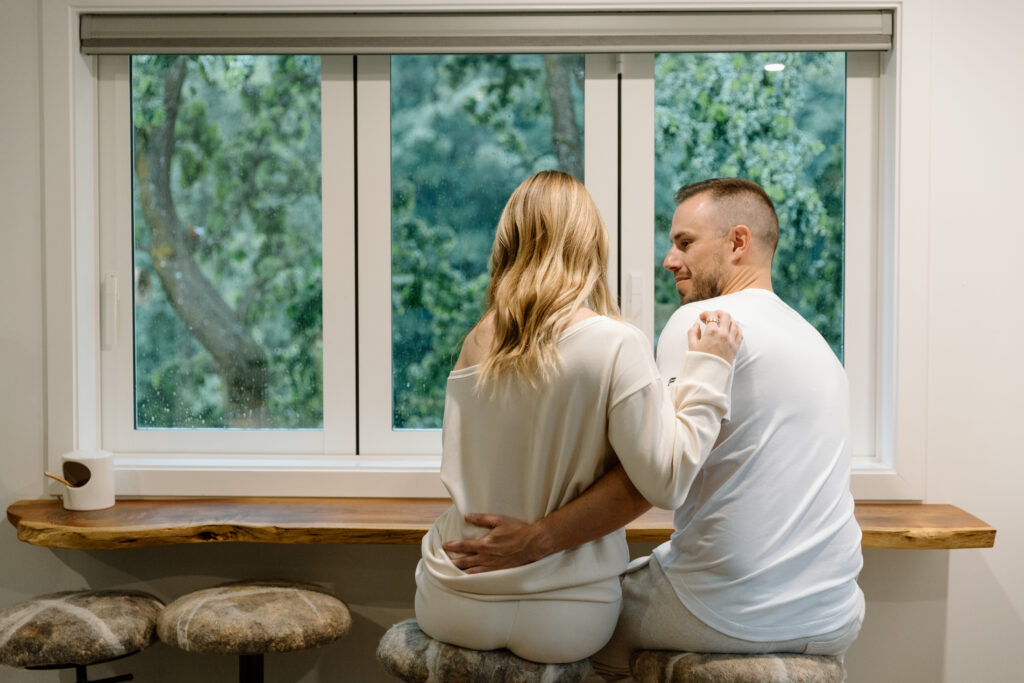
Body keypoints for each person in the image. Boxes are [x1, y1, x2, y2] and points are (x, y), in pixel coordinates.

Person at [443, 177, 865, 678]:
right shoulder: (815, 342)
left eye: (685, 242)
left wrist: (534, 541)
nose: (669, 259)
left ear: (737, 242)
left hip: (729, 615)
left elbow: (651, 481)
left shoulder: (705, 324)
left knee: (578, 612)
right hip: (836, 613)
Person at [414, 170, 743, 664]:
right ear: (590, 244)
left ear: (510, 242)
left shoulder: (477, 340)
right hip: (567, 615)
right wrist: (710, 369)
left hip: (454, 598)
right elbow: (668, 483)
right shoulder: (614, 342)